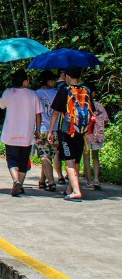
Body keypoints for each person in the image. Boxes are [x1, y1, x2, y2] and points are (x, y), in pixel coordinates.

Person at [49, 66, 95, 201]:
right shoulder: (86, 90)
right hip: (82, 131)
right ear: (80, 78)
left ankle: (75, 190)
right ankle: (70, 189)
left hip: (67, 131)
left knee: (69, 161)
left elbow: (56, 113)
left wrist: (51, 131)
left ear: (67, 76)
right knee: (76, 159)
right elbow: (91, 111)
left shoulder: (64, 91)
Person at [0, 68, 42, 196]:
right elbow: (38, 114)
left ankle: (15, 180)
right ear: (24, 81)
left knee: (12, 159)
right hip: (27, 133)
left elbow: (2, 105)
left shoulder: (8, 92)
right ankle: (20, 184)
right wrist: (38, 130)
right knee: (23, 160)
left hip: (10, 133)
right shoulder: (33, 94)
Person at [34, 70, 59, 191]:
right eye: (53, 80)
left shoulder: (36, 94)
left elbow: (35, 112)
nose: (55, 82)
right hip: (55, 129)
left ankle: (51, 182)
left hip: (42, 128)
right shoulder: (58, 93)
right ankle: (42, 181)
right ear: (48, 81)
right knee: (48, 156)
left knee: (45, 156)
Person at [82, 91, 109, 191]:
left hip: (86, 135)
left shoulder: (82, 106)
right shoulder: (99, 105)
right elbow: (106, 120)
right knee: (95, 157)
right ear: (94, 93)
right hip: (97, 135)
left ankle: (89, 182)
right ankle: (96, 180)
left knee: (86, 158)